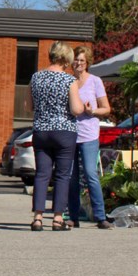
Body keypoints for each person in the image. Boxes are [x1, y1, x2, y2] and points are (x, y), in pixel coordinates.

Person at [29, 41, 85, 231]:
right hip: (64, 131)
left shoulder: (36, 77)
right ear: (66, 58)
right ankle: (57, 219)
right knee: (62, 175)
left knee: (42, 174)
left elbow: (28, 107)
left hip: (41, 130)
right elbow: (76, 109)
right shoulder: (69, 81)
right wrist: (84, 106)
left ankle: (37, 218)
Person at [67, 46, 114, 229]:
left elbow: (106, 108)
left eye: (81, 60)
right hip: (70, 133)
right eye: (76, 60)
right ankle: (73, 216)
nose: (78, 63)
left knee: (90, 173)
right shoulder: (68, 81)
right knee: (71, 176)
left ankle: (100, 216)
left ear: (87, 63)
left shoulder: (95, 81)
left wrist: (92, 111)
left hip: (89, 134)